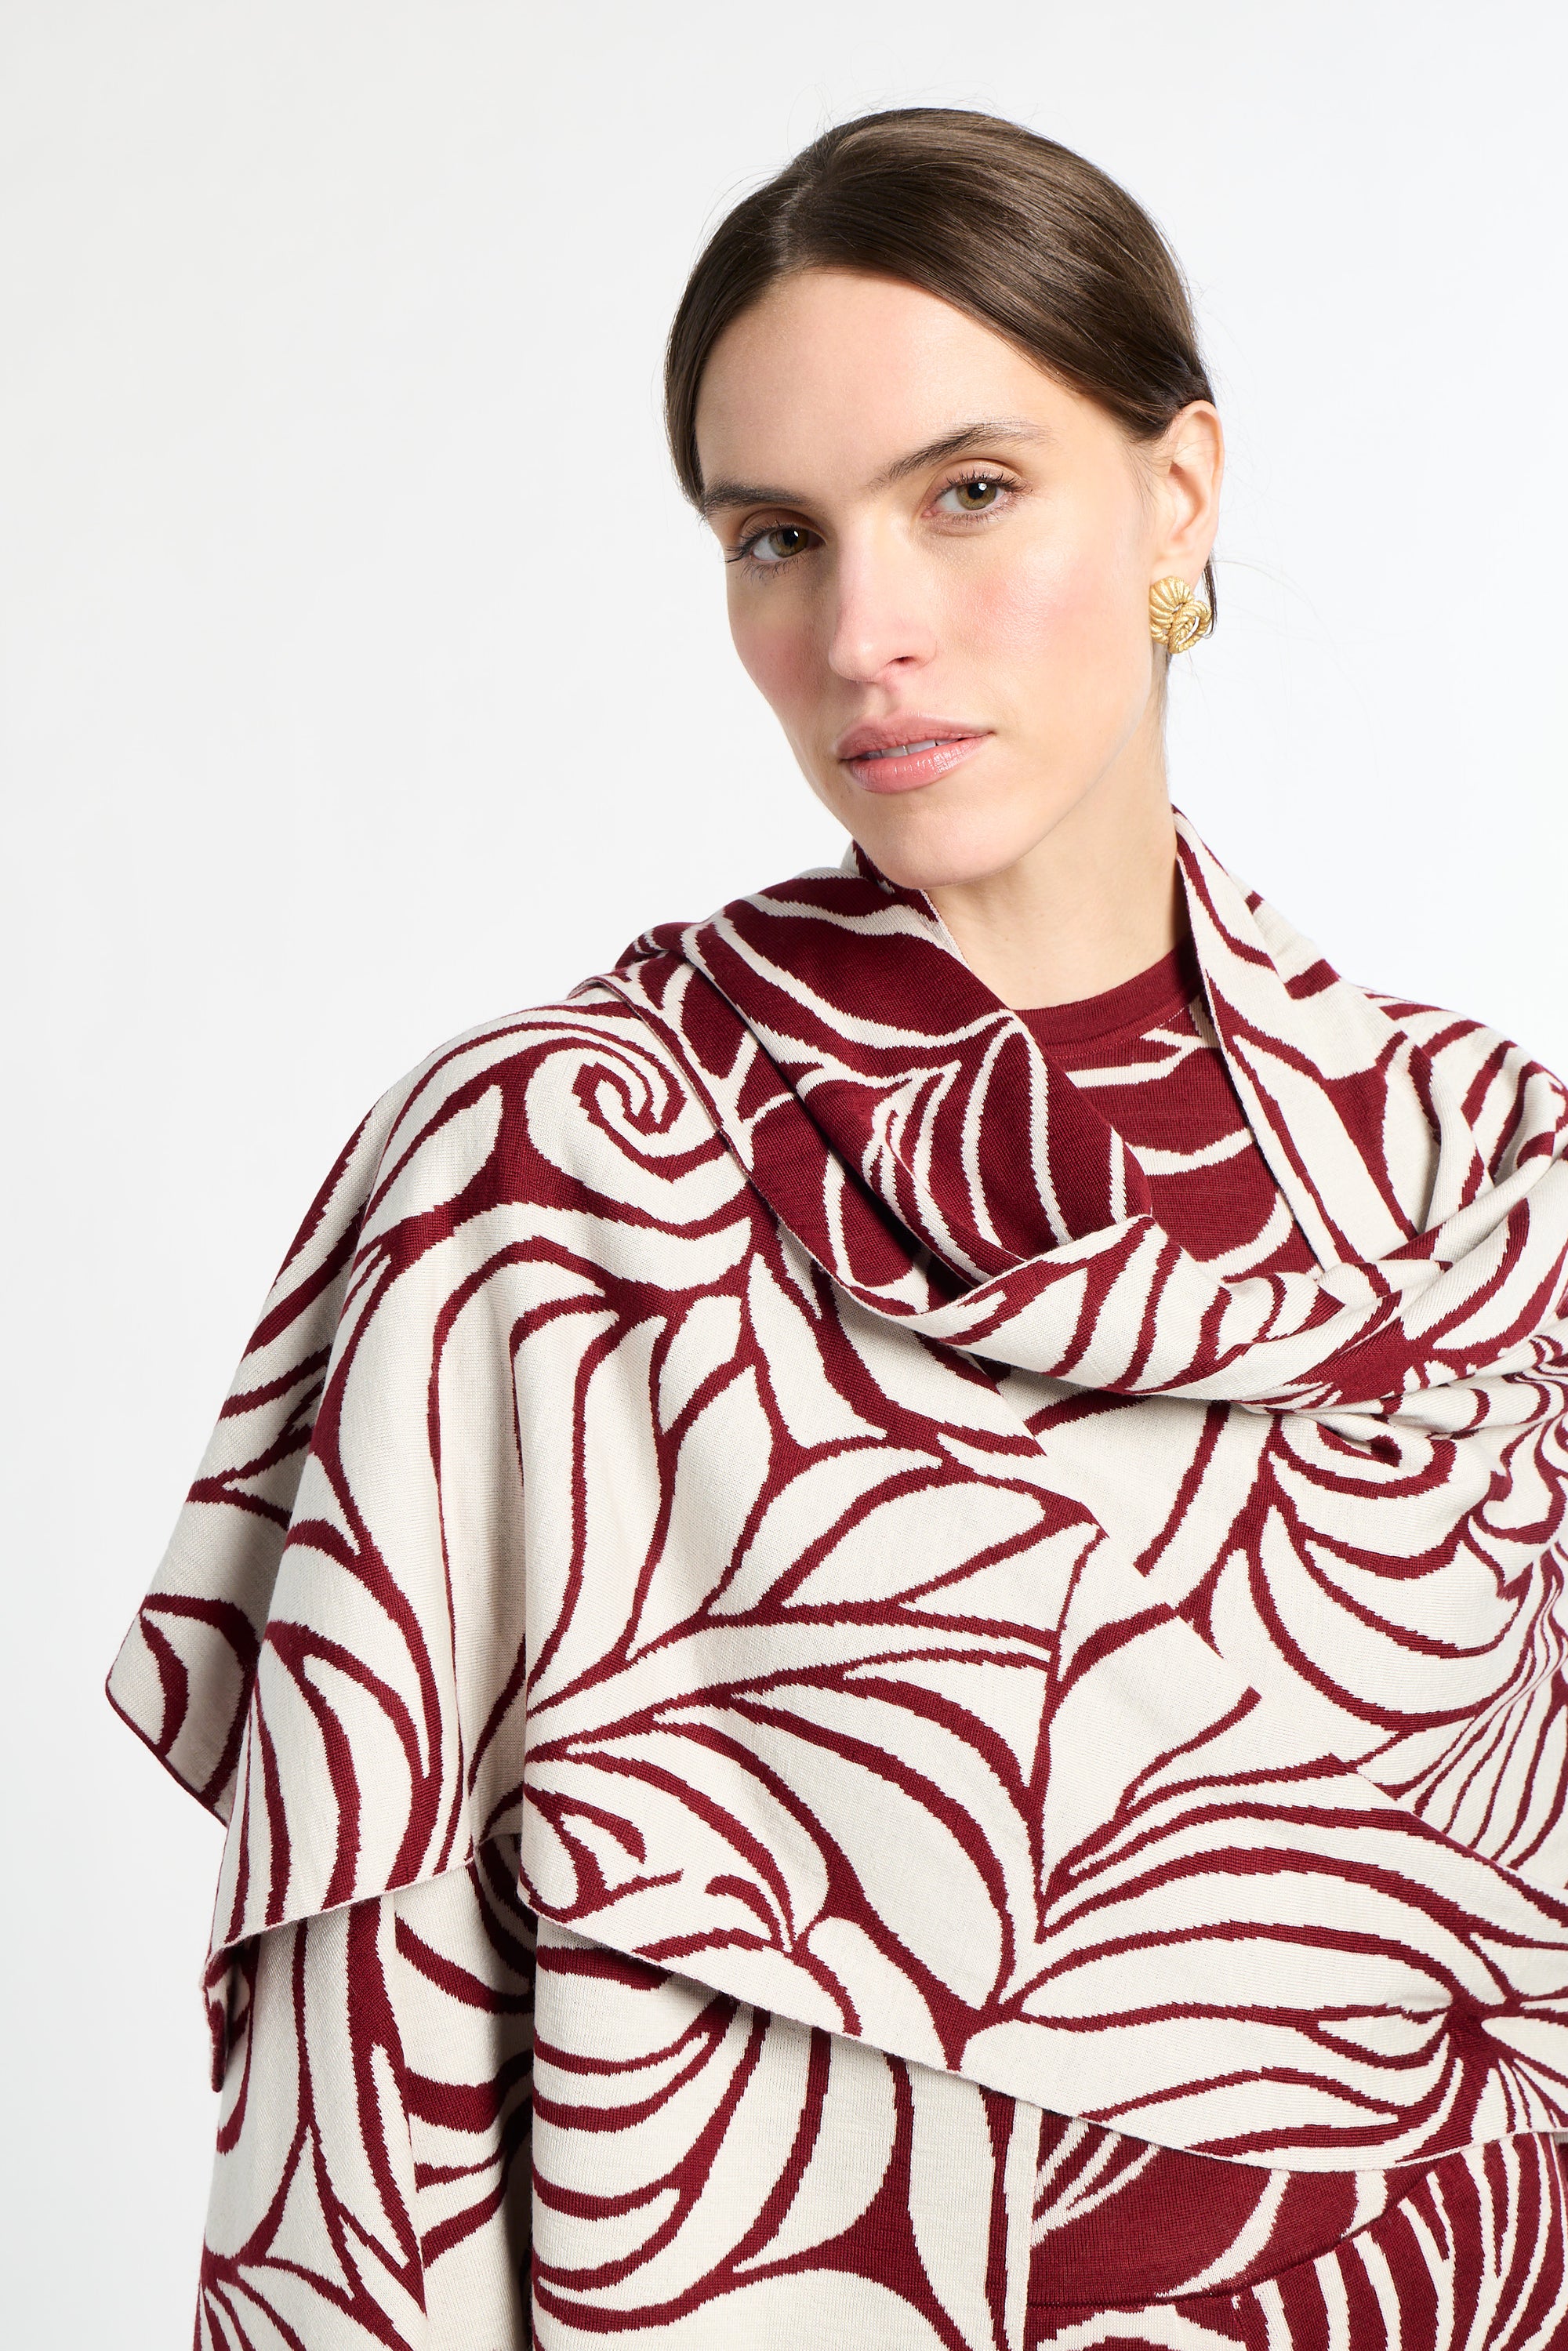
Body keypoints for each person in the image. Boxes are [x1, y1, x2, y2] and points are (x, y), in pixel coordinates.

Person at [109, 107, 1568, 2349]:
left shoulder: (1496, 1182)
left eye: (967, 495)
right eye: (775, 536)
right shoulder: (544, 1183)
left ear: (1177, 497)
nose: (865, 629)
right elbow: (363, 2087)